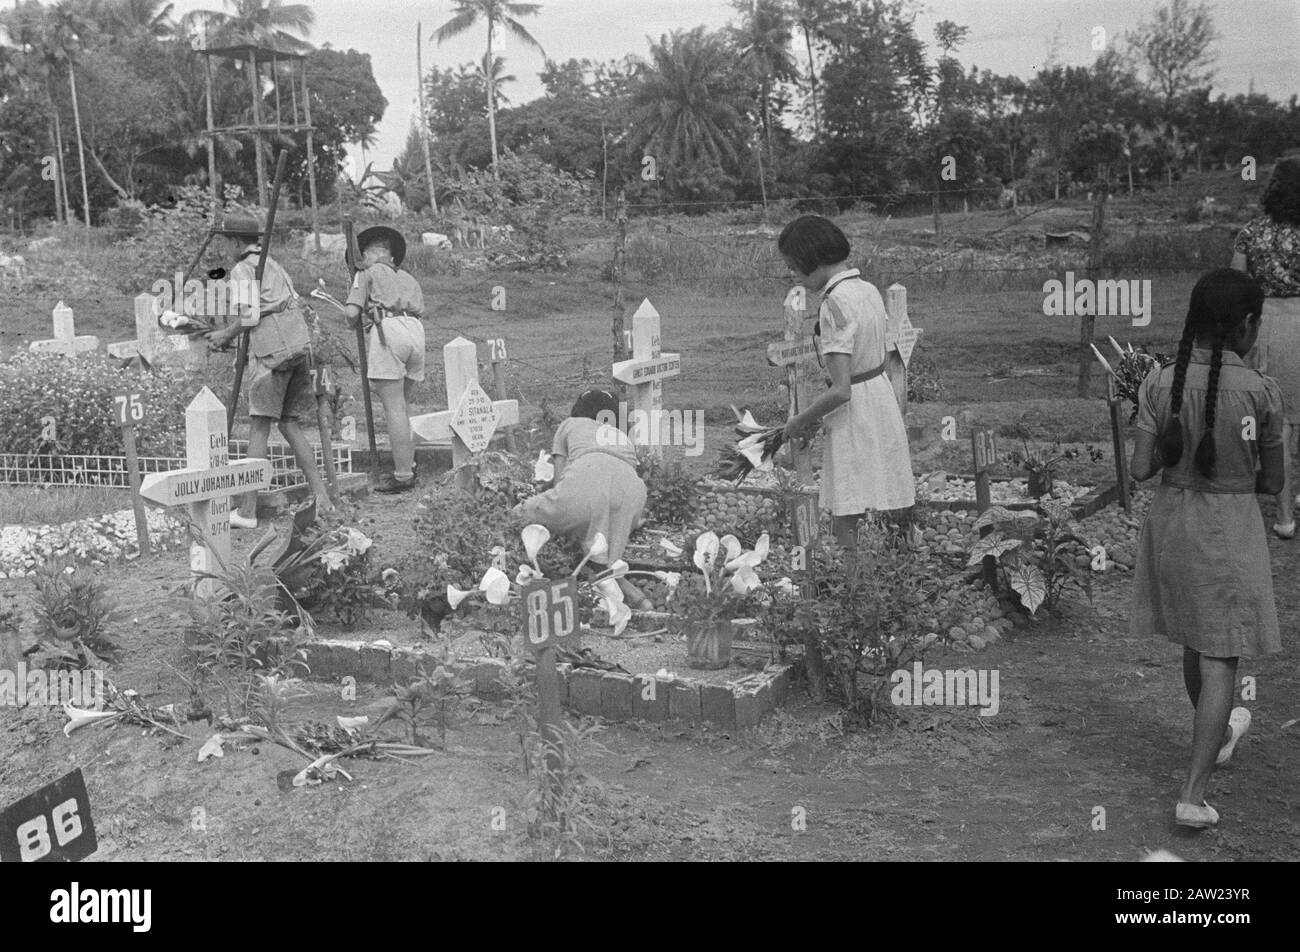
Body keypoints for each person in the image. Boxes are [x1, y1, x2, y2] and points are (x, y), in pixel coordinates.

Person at [1129, 268, 1284, 829]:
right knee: (1221, 657)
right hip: (1230, 531)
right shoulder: (1261, 392)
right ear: (1246, 326)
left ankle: (1214, 736)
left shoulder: (1158, 383)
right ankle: (1192, 795)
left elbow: (1142, 469)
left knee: (1196, 645)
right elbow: (1271, 483)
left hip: (1172, 527)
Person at [777, 214, 915, 552]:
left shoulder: (833, 303)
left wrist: (799, 421)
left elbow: (840, 389)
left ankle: (855, 590)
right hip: (879, 394)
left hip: (854, 408)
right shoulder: (867, 290)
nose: (793, 275)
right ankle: (889, 568)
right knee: (878, 490)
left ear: (812, 260)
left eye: (795, 267)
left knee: (846, 507)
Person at [203, 212, 332, 528]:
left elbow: (248, 317)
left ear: (234, 242)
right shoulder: (271, 263)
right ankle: (323, 498)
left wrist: (224, 335)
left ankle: (246, 511)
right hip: (299, 348)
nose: (224, 249)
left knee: (259, 427)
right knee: (289, 424)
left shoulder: (244, 269)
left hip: (273, 355)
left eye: (225, 242)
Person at [516, 389, 652, 609]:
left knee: (520, 514)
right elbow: (616, 487)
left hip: (587, 479)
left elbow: (560, 481)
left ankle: (618, 591)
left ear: (579, 410)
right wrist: (634, 521)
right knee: (603, 549)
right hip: (634, 492)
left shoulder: (570, 424)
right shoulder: (622, 438)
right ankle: (636, 598)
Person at [1231, 155, 1300, 537]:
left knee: (1278, 425)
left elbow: (1235, 286)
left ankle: (1284, 516)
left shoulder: (1251, 233)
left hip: (1266, 326)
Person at [344, 226, 426, 494]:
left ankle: (402, 475)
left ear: (368, 254)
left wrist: (354, 311)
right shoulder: (408, 277)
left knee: (394, 408)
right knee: (404, 405)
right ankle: (409, 465)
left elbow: (350, 314)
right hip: (416, 332)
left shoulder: (365, 273)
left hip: (387, 331)